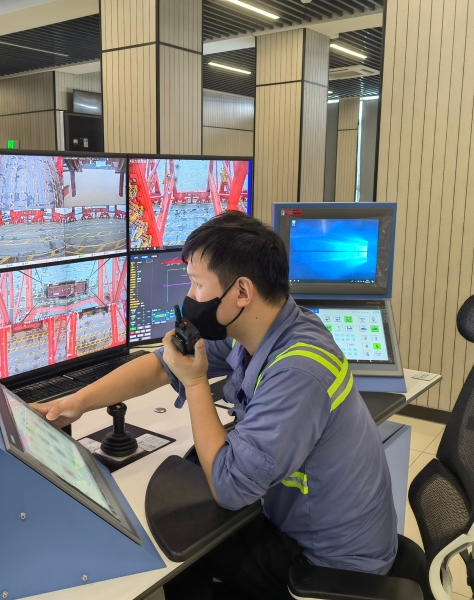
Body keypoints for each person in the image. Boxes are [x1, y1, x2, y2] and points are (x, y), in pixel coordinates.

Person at [33, 212, 398, 600]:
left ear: (242, 291)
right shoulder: (267, 327)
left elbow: (230, 487)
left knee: (183, 543)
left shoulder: (298, 372)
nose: (190, 297)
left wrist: (195, 383)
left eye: (197, 284)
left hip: (328, 566)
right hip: (308, 525)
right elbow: (163, 364)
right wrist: (77, 402)